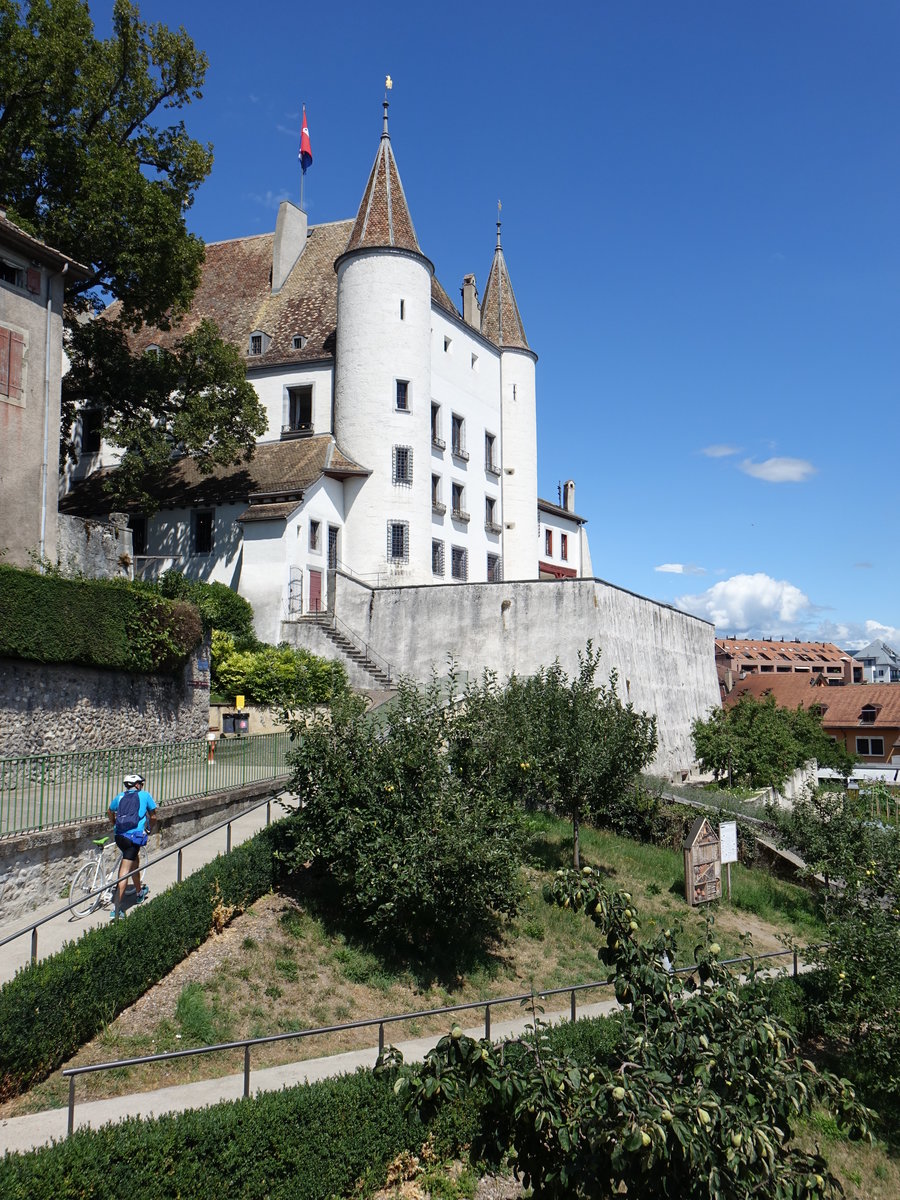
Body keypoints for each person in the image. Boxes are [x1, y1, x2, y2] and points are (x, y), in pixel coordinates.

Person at [108, 772, 157, 918]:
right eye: (141, 784)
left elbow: (110, 811)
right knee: (124, 871)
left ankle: (139, 892)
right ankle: (117, 909)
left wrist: (113, 823)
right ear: (137, 785)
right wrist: (149, 828)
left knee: (134, 863)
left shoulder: (120, 796)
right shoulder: (145, 795)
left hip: (119, 836)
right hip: (133, 838)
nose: (142, 786)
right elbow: (153, 816)